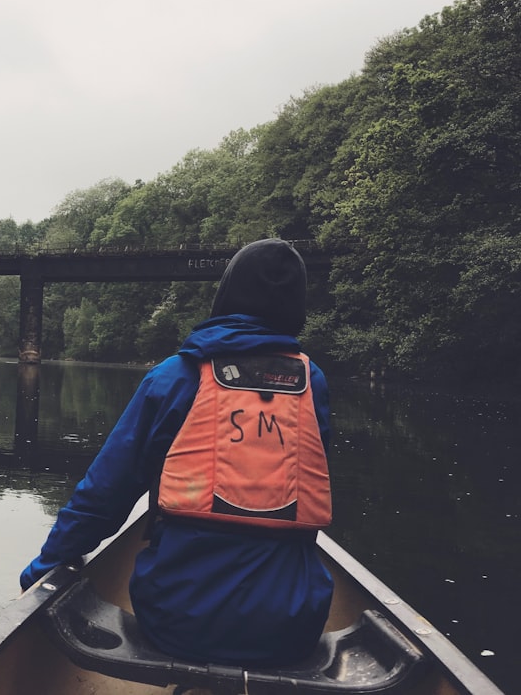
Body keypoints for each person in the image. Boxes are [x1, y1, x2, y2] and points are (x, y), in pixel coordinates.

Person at [19, 238, 334, 666]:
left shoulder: (176, 376)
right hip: (294, 628)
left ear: (224, 297)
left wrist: (44, 568)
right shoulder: (311, 384)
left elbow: (103, 497)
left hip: (179, 624)